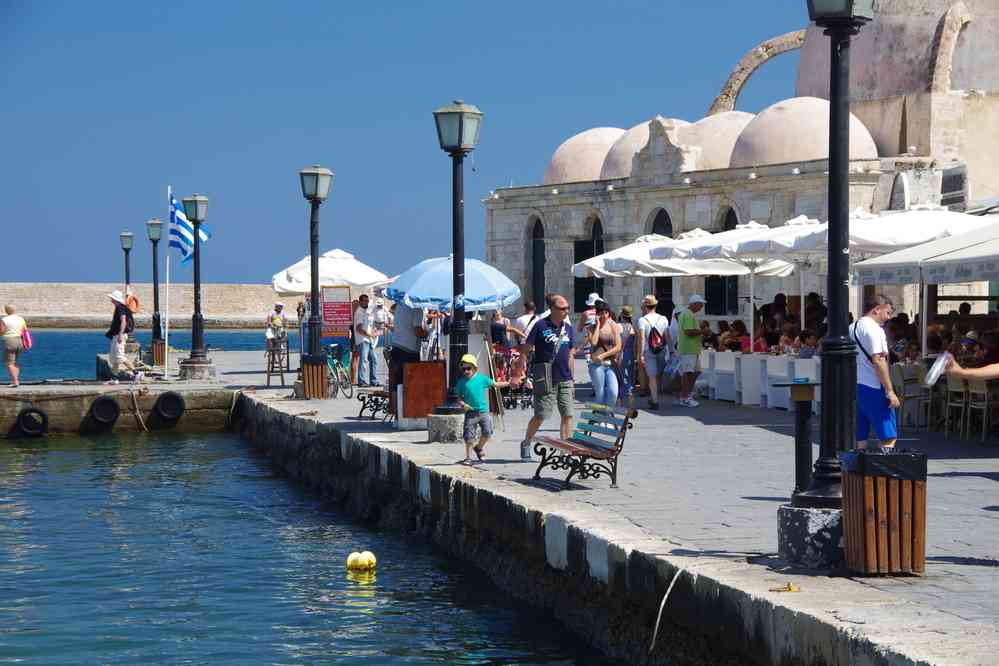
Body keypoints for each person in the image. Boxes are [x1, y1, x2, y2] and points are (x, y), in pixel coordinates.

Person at [513, 293, 575, 461]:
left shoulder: (568, 328)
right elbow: (525, 351)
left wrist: (572, 378)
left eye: (568, 308)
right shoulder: (540, 326)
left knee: (568, 414)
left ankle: (566, 451)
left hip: (565, 378)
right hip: (546, 378)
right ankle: (526, 442)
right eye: (563, 308)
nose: (566, 311)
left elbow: (570, 354)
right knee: (541, 415)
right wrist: (517, 375)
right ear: (552, 309)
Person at [849, 294, 900, 450]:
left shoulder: (852, 327)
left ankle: (858, 470)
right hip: (874, 385)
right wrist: (890, 391)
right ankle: (885, 470)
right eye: (888, 313)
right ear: (877, 309)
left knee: (860, 435)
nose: (888, 317)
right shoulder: (874, 329)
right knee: (888, 435)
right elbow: (878, 360)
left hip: (857, 384)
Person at [455, 353, 506, 464]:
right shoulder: (461, 382)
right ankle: (468, 457)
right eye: (463, 369)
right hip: (470, 413)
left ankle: (479, 447)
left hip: (483, 411)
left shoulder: (481, 379)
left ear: (474, 368)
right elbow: (458, 398)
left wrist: (509, 383)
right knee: (469, 436)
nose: (466, 371)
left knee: (487, 432)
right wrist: (463, 404)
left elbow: (495, 384)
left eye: (468, 368)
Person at [636, 294, 670, 410]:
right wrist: (671, 351)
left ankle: (655, 400)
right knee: (658, 375)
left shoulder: (642, 320)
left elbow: (641, 339)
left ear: (645, 306)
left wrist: (640, 355)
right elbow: (667, 336)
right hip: (661, 350)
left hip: (649, 351)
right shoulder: (664, 318)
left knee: (651, 377)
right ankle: (655, 395)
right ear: (655, 305)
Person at [586, 300, 622, 407]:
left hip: (610, 364)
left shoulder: (613, 325)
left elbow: (618, 346)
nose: (604, 315)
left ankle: (604, 416)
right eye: (601, 313)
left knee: (613, 393)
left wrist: (603, 356)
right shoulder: (590, 327)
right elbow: (594, 342)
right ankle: (600, 419)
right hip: (596, 365)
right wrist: (597, 326)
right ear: (597, 314)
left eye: (606, 313)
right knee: (600, 395)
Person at [676, 294, 705, 407]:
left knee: (695, 371)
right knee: (688, 373)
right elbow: (688, 332)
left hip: (692, 349)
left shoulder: (687, 314)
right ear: (694, 304)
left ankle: (687, 394)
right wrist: (702, 331)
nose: (701, 307)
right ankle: (685, 397)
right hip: (688, 349)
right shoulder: (688, 315)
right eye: (700, 304)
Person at [105, 290, 137, 383]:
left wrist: (120, 334)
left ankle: (136, 373)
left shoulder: (120, 308)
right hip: (116, 335)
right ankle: (115, 379)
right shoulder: (120, 307)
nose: (111, 300)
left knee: (119, 357)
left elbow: (123, 321)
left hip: (120, 335)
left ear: (115, 299)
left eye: (112, 298)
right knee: (114, 358)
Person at [353, 294, 379, 387]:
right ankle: (362, 381)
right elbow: (358, 328)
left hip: (368, 339)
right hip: (363, 340)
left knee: (374, 359)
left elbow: (366, 326)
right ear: (360, 302)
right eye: (364, 301)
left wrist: (372, 332)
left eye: (367, 301)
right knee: (363, 360)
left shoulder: (365, 311)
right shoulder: (359, 312)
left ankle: (373, 380)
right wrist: (369, 334)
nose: (366, 302)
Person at [1, 304, 27, 387]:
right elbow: (24, 330)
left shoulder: (4, 319)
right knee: (15, 362)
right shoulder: (21, 319)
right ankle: (15, 380)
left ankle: (15, 382)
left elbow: (2, 331)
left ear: (6, 310)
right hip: (20, 340)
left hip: (9, 340)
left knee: (9, 363)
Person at [617, 305, 636, 403]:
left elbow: (618, 343)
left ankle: (621, 396)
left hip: (622, 353)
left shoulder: (618, 326)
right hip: (631, 353)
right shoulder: (633, 327)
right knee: (630, 375)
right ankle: (630, 393)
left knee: (621, 375)